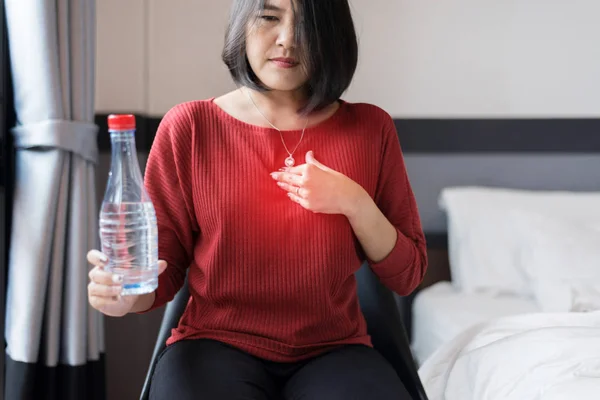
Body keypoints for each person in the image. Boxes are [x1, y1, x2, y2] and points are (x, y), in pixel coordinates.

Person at [87, 0, 427, 398]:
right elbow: (162, 272)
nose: (287, 40)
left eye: (307, 25)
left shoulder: (371, 129)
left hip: (334, 350)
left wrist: (354, 201)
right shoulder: (191, 127)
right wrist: (121, 297)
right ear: (242, 26)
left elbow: (408, 275)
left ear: (332, 35)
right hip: (213, 344)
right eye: (269, 18)